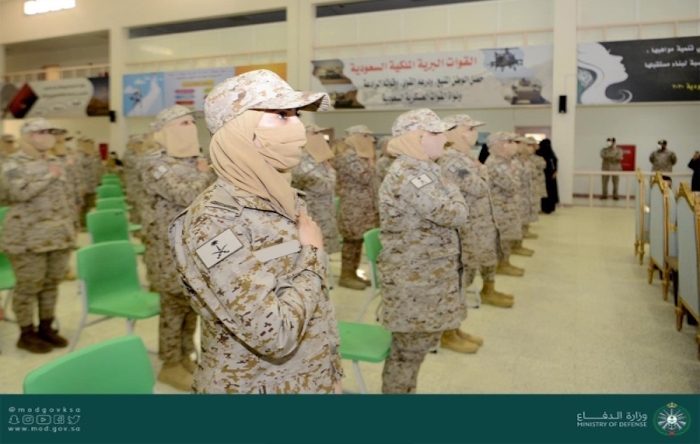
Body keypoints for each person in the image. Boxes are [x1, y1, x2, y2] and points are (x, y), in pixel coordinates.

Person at [168, 69, 343, 394]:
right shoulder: (214, 221)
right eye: (282, 115)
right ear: (242, 132)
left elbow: (315, 305)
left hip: (307, 379)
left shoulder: (283, 198)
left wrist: (329, 368)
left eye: (296, 114)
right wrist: (313, 256)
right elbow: (275, 334)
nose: (298, 125)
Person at [378, 108, 469, 393]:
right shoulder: (409, 173)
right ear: (417, 138)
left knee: (414, 351)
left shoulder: (425, 169)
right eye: (436, 133)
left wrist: (450, 190)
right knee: (407, 353)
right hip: (415, 282)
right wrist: (454, 191)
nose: (445, 139)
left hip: (425, 278)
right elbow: (454, 214)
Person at [141, 104, 215, 391]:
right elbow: (185, 194)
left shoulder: (194, 161)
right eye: (183, 123)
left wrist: (202, 171)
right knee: (173, 305)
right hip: (168, 249)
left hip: (194, 245)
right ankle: (170, 364)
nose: (191, 128)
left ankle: (185, 356)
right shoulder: (155, 164)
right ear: (164, 131)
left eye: (191, 123)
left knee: (190, 304)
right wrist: (204, 174)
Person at [1, 118, 75, 353]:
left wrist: (71, 227)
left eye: (50, 131)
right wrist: (49, 176)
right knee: (29, 286)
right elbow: (18, 192)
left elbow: (66, 197)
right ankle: (26, 333)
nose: (48, 136)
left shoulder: (55, 161)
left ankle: (46, 327)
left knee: (51, 285)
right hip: (27, 238)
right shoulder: (12, 163)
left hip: (58, 236)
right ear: (27, 136)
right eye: (41, 132)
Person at [440, 114, 513, 313]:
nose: (475, 133)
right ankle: (451, 320)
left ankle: (485, 293)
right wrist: (482, 171)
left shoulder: (464, 157)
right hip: (466, 227)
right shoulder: (451, 160)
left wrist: (479, 170)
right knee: (464, 273)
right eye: (470, 129)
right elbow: (478, 188)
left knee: (479, 263)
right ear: (454, 132)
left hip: (478, 224)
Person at [332, 125, 379, 290]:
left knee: (358, 242)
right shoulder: (348, 157)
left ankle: (353, 273)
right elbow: (365, 177)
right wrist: (371, 163)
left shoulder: (361, 157)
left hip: (364, 208)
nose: (371, 140)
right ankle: (346, 276)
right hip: (353, 209)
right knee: (351, 243)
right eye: (366, 136)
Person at [291, 123, 340, 256]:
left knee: (325, 255)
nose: (319, 137)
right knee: (314, 255)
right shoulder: (301, 161)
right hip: (314, 216)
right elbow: (325, 187)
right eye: (314, 134)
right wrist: (331, 171)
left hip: (325, 214)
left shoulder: (318, 159)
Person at [484, 132, 524, 277]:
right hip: (500, 210)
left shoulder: (505, 162)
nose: (514, 145)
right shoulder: (496, 163)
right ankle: (502, 265)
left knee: (506, 238)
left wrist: (514, 172)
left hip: (507, 208)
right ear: (500, 145)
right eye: (510, 142)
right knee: (502, 239)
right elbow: (512, 186)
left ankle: (505, 262)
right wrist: (515, 173)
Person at [537, 138, 558, 213]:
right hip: (542, 175)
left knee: (550, 192)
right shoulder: (539, 153)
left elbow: (554, 162)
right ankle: (544, 208)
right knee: (544, 191)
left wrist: (555, 171)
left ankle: (549, 208)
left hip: (550, 175)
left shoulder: (551, 153)